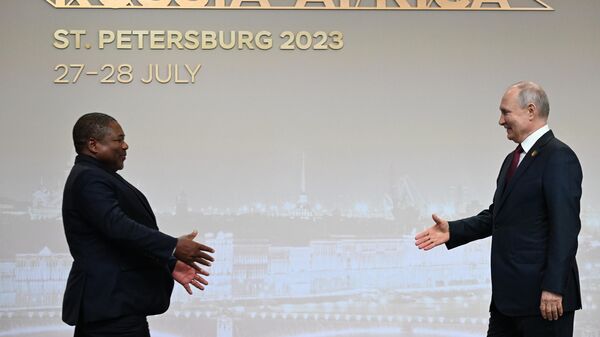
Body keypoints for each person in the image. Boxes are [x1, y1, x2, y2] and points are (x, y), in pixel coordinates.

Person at [415, 81, 582, 337]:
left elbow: (566, 229)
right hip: (508, 303)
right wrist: (454, 230)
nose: (500, 121)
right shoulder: (512, 159)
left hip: (544, 302)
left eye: (505, 112)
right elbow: (499, 216)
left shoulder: (558, 157)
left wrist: (554, 287)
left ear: (530, 110)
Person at [62, 112, 216, 337]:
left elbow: (117, 243)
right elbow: (118, 227)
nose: (125, 145)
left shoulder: (97, 175)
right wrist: (173, 246)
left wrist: (171, 262)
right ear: (93, 145)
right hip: (111, 309)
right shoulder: (90, 178)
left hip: (114, 307)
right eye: (118, 139)